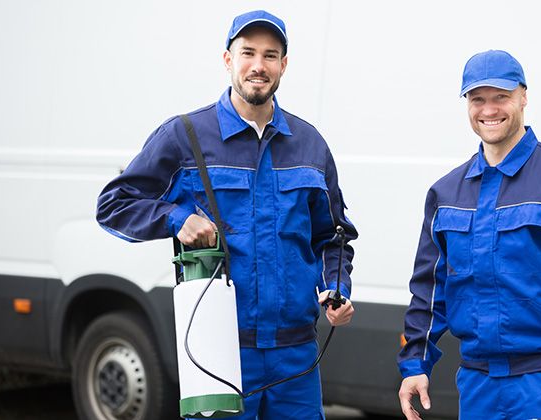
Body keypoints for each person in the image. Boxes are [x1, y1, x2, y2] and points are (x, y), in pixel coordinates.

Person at [96, 10, 356, 419]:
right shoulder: (186, 136)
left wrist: (335, 287)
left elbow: (334, 237)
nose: (259, 65)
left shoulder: (310, 146)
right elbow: (114, 205)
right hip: (218, 351)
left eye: (271, 56)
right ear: (227, 59)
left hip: (296, 356)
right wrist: (175, 219)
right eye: (248, 52)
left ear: (283, 66)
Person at [396, 50, 541, 420]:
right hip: (477, 384)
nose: (489, 110)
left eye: (500, 96)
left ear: (523, 96)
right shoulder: (445, 194)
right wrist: (414, 364)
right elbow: (429, 289)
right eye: (477, 99)